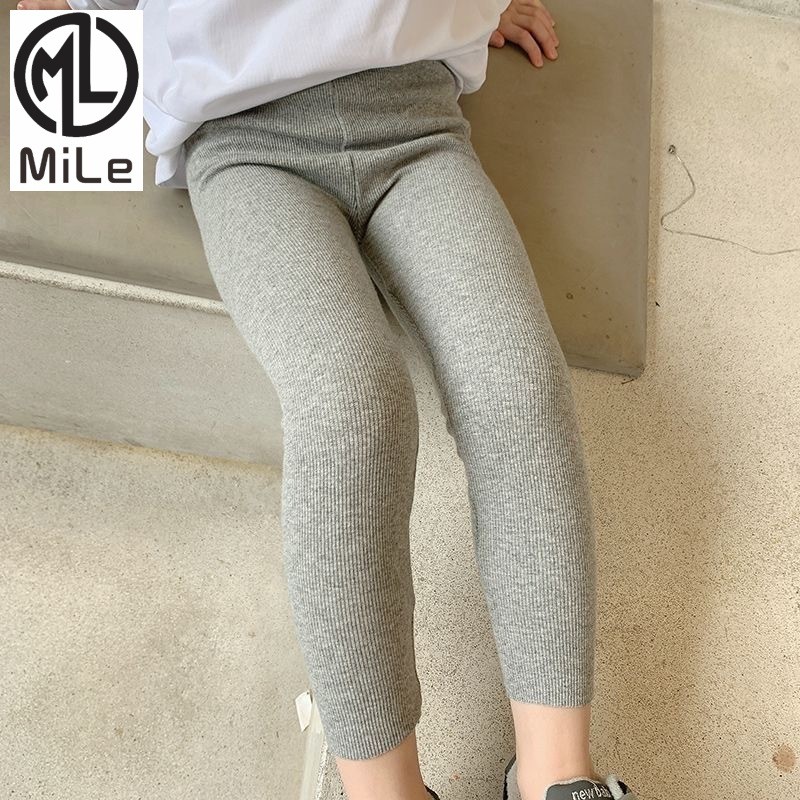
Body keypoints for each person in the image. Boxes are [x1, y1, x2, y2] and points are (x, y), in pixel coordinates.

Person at [18, 1, 641, 799]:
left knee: (519, 383)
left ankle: (557, 776)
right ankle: (384, 790)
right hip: (245, 138)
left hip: (417, 117)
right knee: (352, 404)